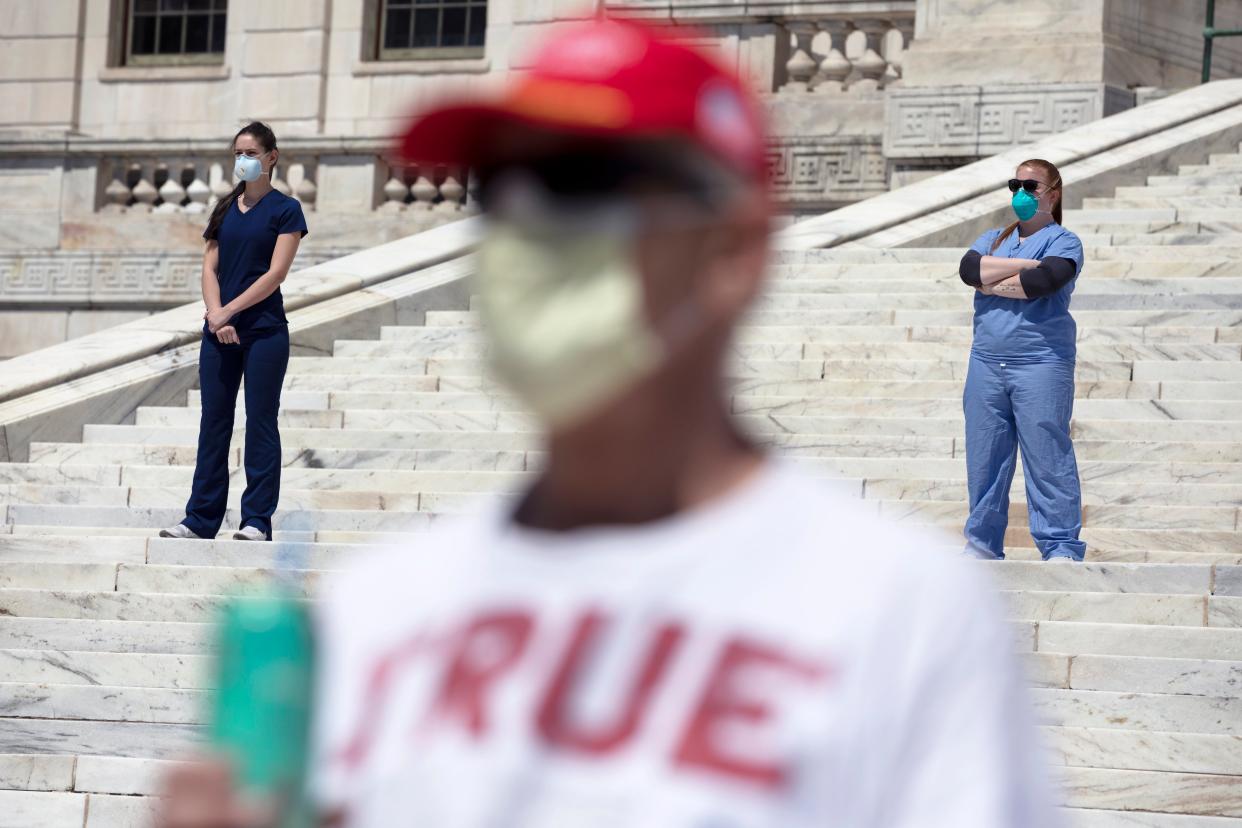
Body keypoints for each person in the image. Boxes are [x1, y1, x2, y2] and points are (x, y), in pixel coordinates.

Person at [158, 19, 1063, 828]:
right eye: (510, 188)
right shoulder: (377, 615)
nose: (534, 231)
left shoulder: (903, 621)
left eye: (587, 188)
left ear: (734, 250)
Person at [159, 121, 308, 543]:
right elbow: (209, 266)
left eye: (251, 153)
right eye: (237, 154)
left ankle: (256, 520)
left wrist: (229, 312)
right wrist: (214, 316)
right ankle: (200, 519)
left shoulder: (286, 210)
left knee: (261, 422)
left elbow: (276, 274)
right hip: (218, 332)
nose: (242, 161)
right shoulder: (224, 208)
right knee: (214, 422)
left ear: (271, 157)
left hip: (263, 332)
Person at [957, 159, 1086, 562]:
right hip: (986, 362)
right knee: (985, 459)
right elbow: (967, 270)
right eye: (1016, 184)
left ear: (1053, 193)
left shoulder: (1064, 241)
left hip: (1041, 363)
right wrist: (1021, 265)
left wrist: (992, 280)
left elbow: (1042, 282)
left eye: (1031, 186)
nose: (1022, 193)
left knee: (1047, 457)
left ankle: (1060, 545)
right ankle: (982, 544)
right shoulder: (993, 237)